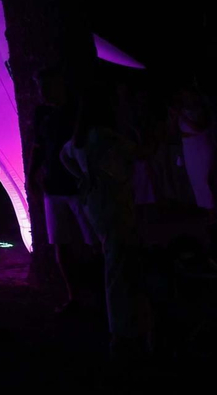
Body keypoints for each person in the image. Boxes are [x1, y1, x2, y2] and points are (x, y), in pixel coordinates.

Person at [61, 82, 153, 357]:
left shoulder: (80, 138)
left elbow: (63, 156)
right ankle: (122, 331)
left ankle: (125, 327)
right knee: (119, 266)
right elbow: (142, 152)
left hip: (97, 204)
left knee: (116, 261)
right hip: (112, 204)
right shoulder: (105, 136)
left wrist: (82, 177)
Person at [28, 66, 94, 313]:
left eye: (47, 86)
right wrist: (32, 175)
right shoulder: (42, 113)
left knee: (92, 239)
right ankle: (74, 296)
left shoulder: (76, 111)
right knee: (61, 243)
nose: (43, 92)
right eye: (40, 87)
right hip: (53, 186)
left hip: (79, 186)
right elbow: (38, 145)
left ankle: (97, 291)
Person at [175, 88, 217, 212]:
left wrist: (182, 116)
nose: (186, 99)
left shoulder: (201, 111)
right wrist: (175, 118)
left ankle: (213, 209)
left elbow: (199, 128)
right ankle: (206, 208)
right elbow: (173, 132)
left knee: (205, 177)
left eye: (189, 96)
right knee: (196, 179)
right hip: (188, 147)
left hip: (200, 144)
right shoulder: (181, 111)